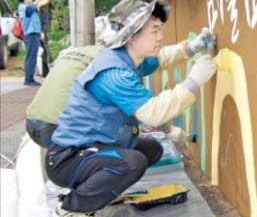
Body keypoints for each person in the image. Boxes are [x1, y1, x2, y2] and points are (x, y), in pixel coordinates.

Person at [45, 0, 218, 217]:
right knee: (133, 163)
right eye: (154, 31)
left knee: (152, 149)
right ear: (132, 35)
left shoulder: (126, 57)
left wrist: (194, 45)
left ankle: (99, 191)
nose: (160, 37)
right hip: (68, 159)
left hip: (89, 148)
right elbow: (154, 113)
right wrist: (194, 81)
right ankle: (71, 208)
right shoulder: (114, 73)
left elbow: (162, 58)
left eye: (160, 29)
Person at [25, 14, 215, 149]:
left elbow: (159, 59)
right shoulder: (111, 66)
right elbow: (144, 111)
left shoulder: (93, 53)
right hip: (56, 129)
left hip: (33, 122)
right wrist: (169, 128)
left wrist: (192, 46)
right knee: (121, 144)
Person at [17, 0, 55, 85]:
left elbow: (36, 1)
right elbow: (41, 4)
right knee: (31, 56)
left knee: (31, 55)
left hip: (30, 34)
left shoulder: (24, 6)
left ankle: (29, 77)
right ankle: (29, 79)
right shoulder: (27, 8)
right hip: (31, 34)